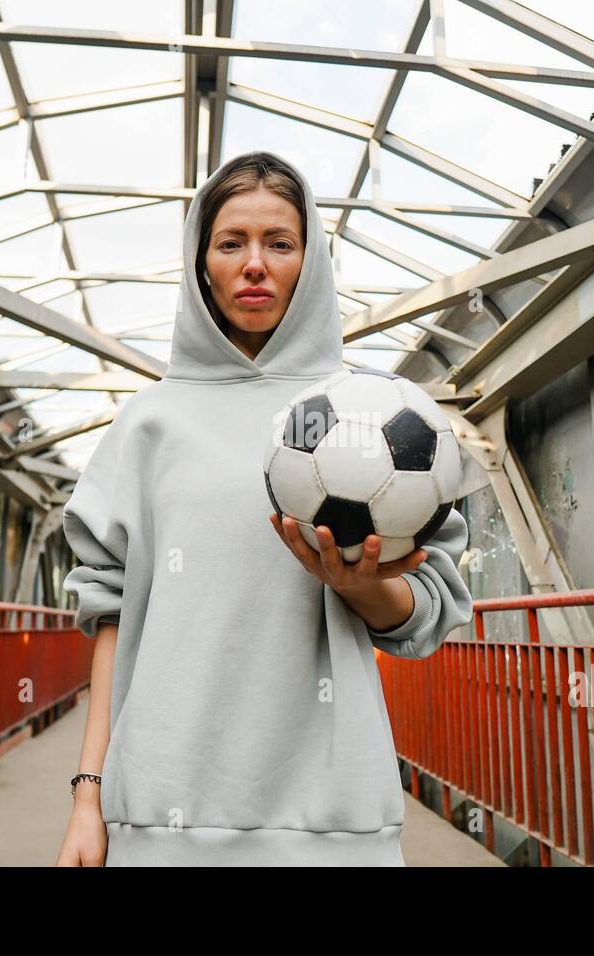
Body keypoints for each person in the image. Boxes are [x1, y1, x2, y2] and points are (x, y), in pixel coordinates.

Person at [54, 149, 473, 867]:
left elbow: (428, 614)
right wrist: (89, 799)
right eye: (230, 243)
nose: (255, 264)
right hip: (162, 815)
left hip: (335, 820)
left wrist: (365, 587)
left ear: (311, 263)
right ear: (200, 263)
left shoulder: (378, 413)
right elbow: (113, 620)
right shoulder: (148, 425)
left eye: (280, 243)